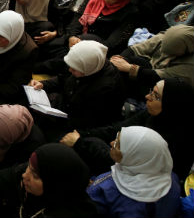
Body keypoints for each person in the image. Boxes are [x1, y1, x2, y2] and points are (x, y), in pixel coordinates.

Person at [62, 78, 194, 180]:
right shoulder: (152, 114)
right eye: (151, 92)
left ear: (171, 105)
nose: (147, 97)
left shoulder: (176, 141)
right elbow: (117, 129)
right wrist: (80, 134)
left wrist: (80, 142)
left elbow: (127, 166)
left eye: (156, 96)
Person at [0, 143, 96, 218]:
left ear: (56, 186)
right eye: (28, 167)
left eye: (35, 175)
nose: (25, 175)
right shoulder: (25, 173)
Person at [30, 40, 125, 137]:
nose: (70, 70)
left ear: (87, 69)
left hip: (79, 123)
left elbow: (87, 121)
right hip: (67, 105)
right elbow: (62, 79)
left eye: (74, 69)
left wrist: (50, 114)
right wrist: (44, 84)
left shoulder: (106, 89)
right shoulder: (87, 66)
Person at [86, 126, 180, 218]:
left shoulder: (112, 191)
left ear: (135, 156)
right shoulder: (172, 180)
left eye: (118, 145)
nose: (111, 143)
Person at [110, 24, 194, 91]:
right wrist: (119, 60)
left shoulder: (190, 65)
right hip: (150, 67)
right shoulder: (168, 36)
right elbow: (136, 49)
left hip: (163, 86)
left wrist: (130, 68)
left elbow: (160, 78)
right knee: (125, 62)